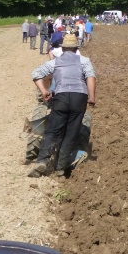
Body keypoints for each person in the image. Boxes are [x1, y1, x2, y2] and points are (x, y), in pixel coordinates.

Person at [27, 33, 96, 177]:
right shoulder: (84, 61)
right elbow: (90, 76)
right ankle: (60, 168)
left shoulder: (56, 62)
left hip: (61, 98)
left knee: (52, 131)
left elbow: (36, 74)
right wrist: (92, 97)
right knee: (71, 133)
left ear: (63, 48)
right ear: (76, 48)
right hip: (79, 98)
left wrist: (44, 91)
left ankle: (43, 161)